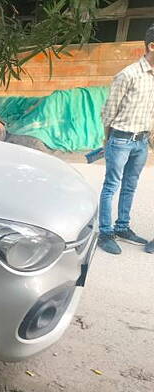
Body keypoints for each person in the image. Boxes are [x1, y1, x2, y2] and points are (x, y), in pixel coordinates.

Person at [98, 23, 154, 255]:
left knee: (130, 186)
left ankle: (122, 227)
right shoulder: (128, 74)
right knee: (111, 186)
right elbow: (109, 111)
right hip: (121, 139)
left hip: (142, 142)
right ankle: (105, 232)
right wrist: (108, 138)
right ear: (152, 46)